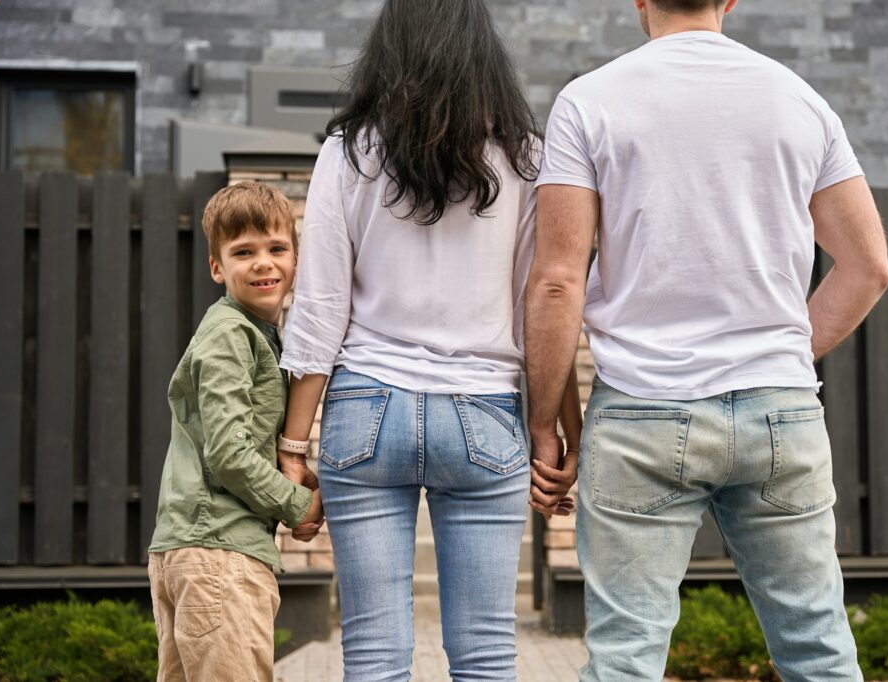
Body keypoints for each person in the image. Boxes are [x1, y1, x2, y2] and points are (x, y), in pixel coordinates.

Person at [524, 0, 888, 679]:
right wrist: (778, 357)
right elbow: (870, 266)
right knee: (817, 645)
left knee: (625, 658)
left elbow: (556, 282)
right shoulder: (799, 100)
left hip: (641, 411)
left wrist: (545, 424)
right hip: (779, 413)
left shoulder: (589, 101)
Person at [273, 0, 579, 678]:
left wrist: (294, 447)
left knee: (374, 656)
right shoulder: (526, 158)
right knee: (488, 655)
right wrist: (555, 429)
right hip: (482, 412)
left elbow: (320, 310)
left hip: (365, 412)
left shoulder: (348, 151)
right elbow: (545, 302)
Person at [147, 182, 323, 682]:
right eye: (243, 252)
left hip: (193, 552)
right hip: (219, 555)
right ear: (217, 268)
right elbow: (228, 454)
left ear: (295, 256)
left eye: (276, 248)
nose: (263, 263)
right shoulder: (231, 334)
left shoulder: (257, 334)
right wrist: (297, 502)